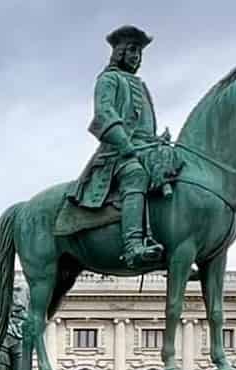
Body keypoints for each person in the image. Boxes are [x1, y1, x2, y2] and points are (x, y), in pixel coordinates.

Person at [68, 24, 169, 267]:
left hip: (147, 150)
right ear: (120, 52)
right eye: (133, 50)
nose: (137, 57)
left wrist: (158, 141)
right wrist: (124, 143)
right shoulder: (108, 80)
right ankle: (133, 245)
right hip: (117, 154)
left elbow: (145, 127)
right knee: (136, 175)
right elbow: (104, 114)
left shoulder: (141, 85)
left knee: (176, 171)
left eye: (139, 53)